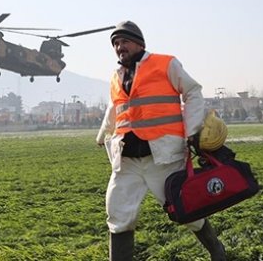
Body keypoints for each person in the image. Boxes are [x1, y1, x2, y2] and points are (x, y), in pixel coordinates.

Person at [95, 21, 226, 261]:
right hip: (126, 160)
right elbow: (115, 107)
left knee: (188, 210)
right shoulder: (116, 76)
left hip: (163, 156)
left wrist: (192, 130)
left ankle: (217, 250)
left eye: (124, 41)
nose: (119, 47)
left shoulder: (165, 63)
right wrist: (103, 133)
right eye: (115, 43)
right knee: (118, 215)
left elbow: (193, 92)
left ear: (139, 43)